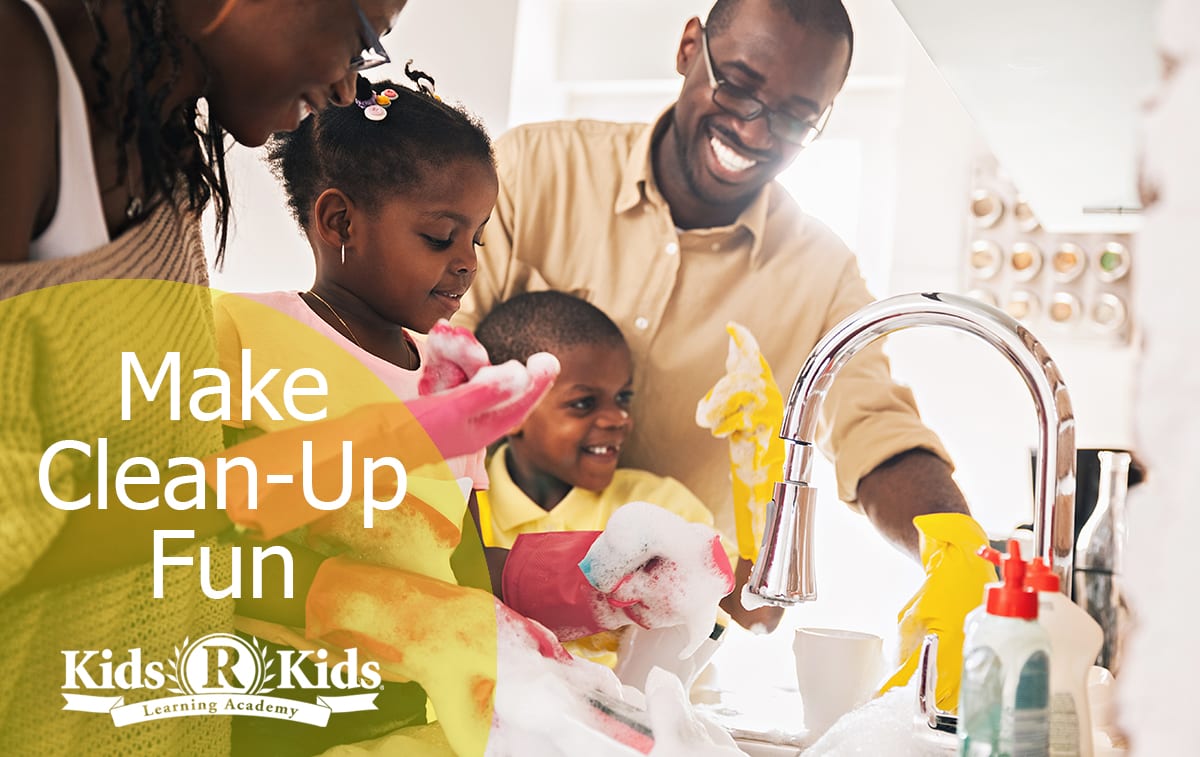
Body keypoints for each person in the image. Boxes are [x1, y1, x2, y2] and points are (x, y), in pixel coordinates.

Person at [0, 1, 556, 754]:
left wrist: (544, 580)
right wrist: (343, 457)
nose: (346, 86)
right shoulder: (20, 72)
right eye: (361, 34)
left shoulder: (164, 152)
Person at [456, 0, 993, 708]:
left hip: (654, 686)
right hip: (474, 627)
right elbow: (433, 374)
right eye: (737, 86)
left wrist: (958, 547)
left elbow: (876, 431)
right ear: (688, 49)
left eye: (799, 117)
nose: (754, 129)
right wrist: (466, 567)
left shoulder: (821, 272)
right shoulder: (534, 171)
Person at [473, 290, 737, 661]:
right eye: (583, 403)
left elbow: (741, 606)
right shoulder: (467, 505)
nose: (618, 419)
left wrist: (754, 475)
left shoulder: (660, 504)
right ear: (510, 412)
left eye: (623, 398)